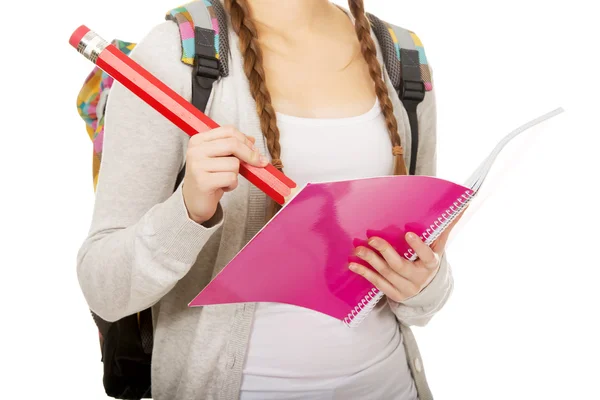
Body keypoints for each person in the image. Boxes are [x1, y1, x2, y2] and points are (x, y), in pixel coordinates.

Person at [76, 0, 456, 399]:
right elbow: (105, 290)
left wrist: (424, 286)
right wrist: (188, 210)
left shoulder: (401, 55)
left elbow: (425, 269)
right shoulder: (176, 54)